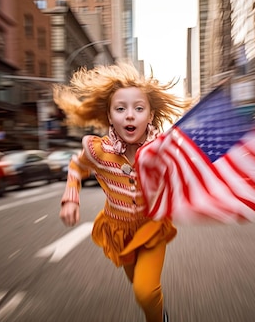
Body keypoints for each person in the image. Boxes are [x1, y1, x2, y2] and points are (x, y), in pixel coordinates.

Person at [53, 62, 190, 322]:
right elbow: (76, 166)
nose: (130, 115)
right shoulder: (97, 150)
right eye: (120, 108)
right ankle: (157, 311)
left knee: (144, 291)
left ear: (150, 116)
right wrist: (70, 198)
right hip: (118, 231)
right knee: (138, 286)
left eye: (139, 108)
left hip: (151, 227)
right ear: (109, 116)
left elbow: (182, 174)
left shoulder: (162, 150)